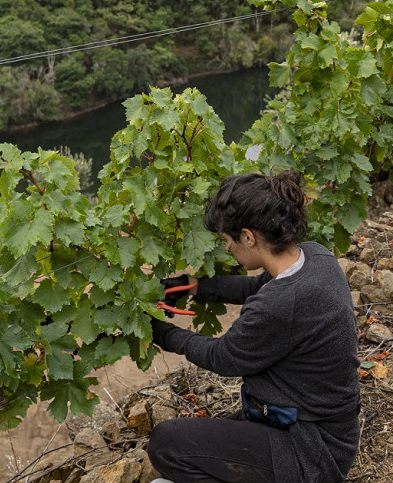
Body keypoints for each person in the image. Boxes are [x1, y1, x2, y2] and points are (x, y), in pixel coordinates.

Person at [146, 170, 360, 483]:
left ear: (248, 236)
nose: (227, 247)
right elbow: (254, 287)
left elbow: (223, 357)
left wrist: (162, 333)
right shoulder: (315, 257)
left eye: (227, 240)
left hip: (310, 450)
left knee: (167, 443)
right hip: (317, 426)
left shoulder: (279, 304)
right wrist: (191, 286)